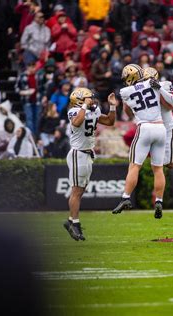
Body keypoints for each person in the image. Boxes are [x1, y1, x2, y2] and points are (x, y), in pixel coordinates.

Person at [112, 65, 168, 219]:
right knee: (158, 169)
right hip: (160, 127)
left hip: (144, 128)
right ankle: (159, 201)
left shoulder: (125, 91)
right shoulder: (154, 83)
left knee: (135, 165)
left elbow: (128, 112)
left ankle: (125, 197)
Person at [64, 88, 119, 241]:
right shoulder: (74, 111)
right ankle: (74, 224)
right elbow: (76, 122)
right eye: (89, 98)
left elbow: (109, 121)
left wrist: (112, 106)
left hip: (88, 154)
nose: (92, 100)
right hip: (78, 153)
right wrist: (84, 107)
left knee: (80, 191)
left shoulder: (92, 110)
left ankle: (71, 221)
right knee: (76, 191)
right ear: (80, 100)